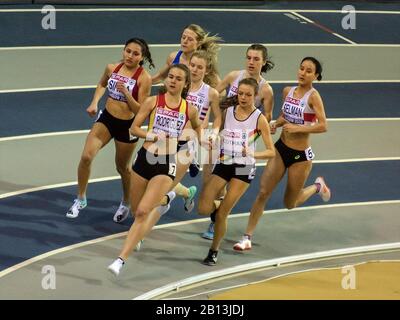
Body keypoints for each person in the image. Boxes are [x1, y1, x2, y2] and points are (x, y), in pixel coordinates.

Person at [107, 64, 202, 276]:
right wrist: (151, 136)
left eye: (178, 79)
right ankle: (167, 201)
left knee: (142, 212)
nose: (173, 81)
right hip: (144, 159)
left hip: (166, 163)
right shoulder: (152, 102)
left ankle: (120, 260)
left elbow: (197, 128)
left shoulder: (189, 109)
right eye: (170, 77)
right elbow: (134, 128)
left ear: (185, 84)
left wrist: (190, 140)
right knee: (135, 210)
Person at [233, 57, 331, 252]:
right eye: (301, 68)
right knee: (263, 192)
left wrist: (298, 128)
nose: (303, 73)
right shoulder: (288, 91)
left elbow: (323, 125)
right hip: (280, 148)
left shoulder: (313, 96)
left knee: (290, 203)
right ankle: (247, 237)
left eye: (309, 71)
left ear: (316, 76)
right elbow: (285, 115)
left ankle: (317, 186)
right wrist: (276, 124)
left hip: (300, 156)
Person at [66, 38, 154, 222]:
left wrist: (127, 94)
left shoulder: (144, 78)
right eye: (128, 51)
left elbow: (141, 111)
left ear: (142, 57)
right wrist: (94, 102)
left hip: (127, 126)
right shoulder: (112, 68)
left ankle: (126, 202)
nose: (130, 55)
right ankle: (80, 198)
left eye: (135, 53)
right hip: (106, 119)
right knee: (86, 156)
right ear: (123, 51)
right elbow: (102, 84)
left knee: (122, 168)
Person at [198, 78, 276, 266]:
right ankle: (218, 206)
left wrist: (252, 153)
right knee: (203, 208)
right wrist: (213, 139)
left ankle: (213, 251)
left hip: (244, 167)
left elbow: (271, 151)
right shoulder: (228, 112)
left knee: (223, 213)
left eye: (248, 95)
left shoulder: (259, 119)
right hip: (225, 162)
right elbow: (219, 130)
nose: (243, 97)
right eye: (240, 93)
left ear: (255, 96)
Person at [202, 43, 275, 240]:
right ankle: (218, 210)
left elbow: (266, 119)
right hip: (221, 138)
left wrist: (249, 139)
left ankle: (216, 220)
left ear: (264, 62)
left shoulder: (266, 90)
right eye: (249, 57)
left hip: (241, 146)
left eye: (256, 59)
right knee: (208, 181)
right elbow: (212, 97)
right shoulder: (234, 76)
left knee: (226, 181)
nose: (251, 62)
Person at [151, 24, 221, 87]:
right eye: (183, 37)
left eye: (190, 39)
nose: (185, 41)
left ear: (199, 43)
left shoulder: (203, 62)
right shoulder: (174, 57)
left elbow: (220, 88)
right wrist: (143, 82)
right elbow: (160, 76)